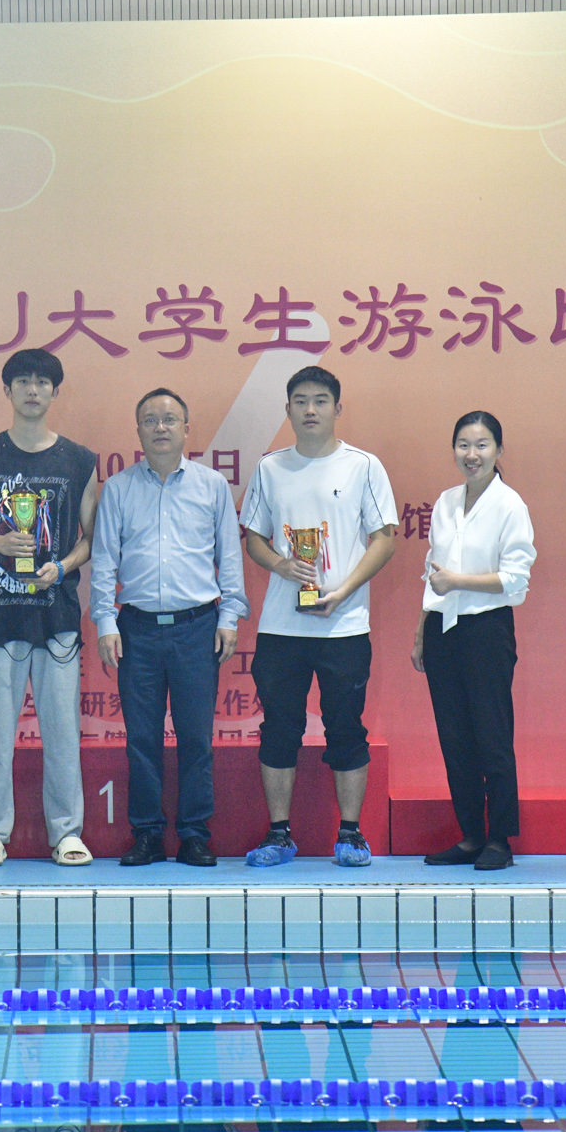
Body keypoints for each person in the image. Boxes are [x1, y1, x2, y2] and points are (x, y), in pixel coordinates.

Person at [0, 349, 100, 866]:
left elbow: (92, 538)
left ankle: (67, 833)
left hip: (57, 615)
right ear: (7, 390)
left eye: (42, 382)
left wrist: (63, 565)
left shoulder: (79, 460)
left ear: (55, 392)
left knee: (62, 732)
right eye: (23, 382)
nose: (33, 391)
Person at [238, 366, 398, 868]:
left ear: (337, 408)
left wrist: (345, 590)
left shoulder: (363, 466)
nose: (310, 410)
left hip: (344, 627)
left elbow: (384, 538)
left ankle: (351, 835)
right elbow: (254, 539)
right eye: (301, 401)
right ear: (287, 410)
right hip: (281, 627)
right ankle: (278, 834)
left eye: (321, 400)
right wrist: (281, 564)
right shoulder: (270, 468)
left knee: (346, 727)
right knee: (278, 728)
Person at [91, 388, 249, 866]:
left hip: (196, 627)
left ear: (186, 428)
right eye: (150, 420)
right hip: (135, 629)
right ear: (138, 430)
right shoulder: (118, 489)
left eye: (169, 419)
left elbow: (229, 556)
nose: (160, 427)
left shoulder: (211, 486)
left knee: (196, 737)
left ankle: (195, 834)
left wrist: (229, 615)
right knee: (142, 739)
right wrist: (105, 620)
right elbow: (104, 560)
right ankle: (147, 834)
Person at [413, 411, 536, 871]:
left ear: (499, 451)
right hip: (442, 628)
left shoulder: (510, 505)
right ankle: (470, 835)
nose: (472, 454)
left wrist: (458, 582)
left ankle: (499, 840)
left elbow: (515, 580)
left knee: (491, 735)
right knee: (455, 738)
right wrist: (421, 631)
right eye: (463, 445)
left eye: (482, 445)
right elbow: (432, 571)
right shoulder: (446, 502)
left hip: (487, 630)